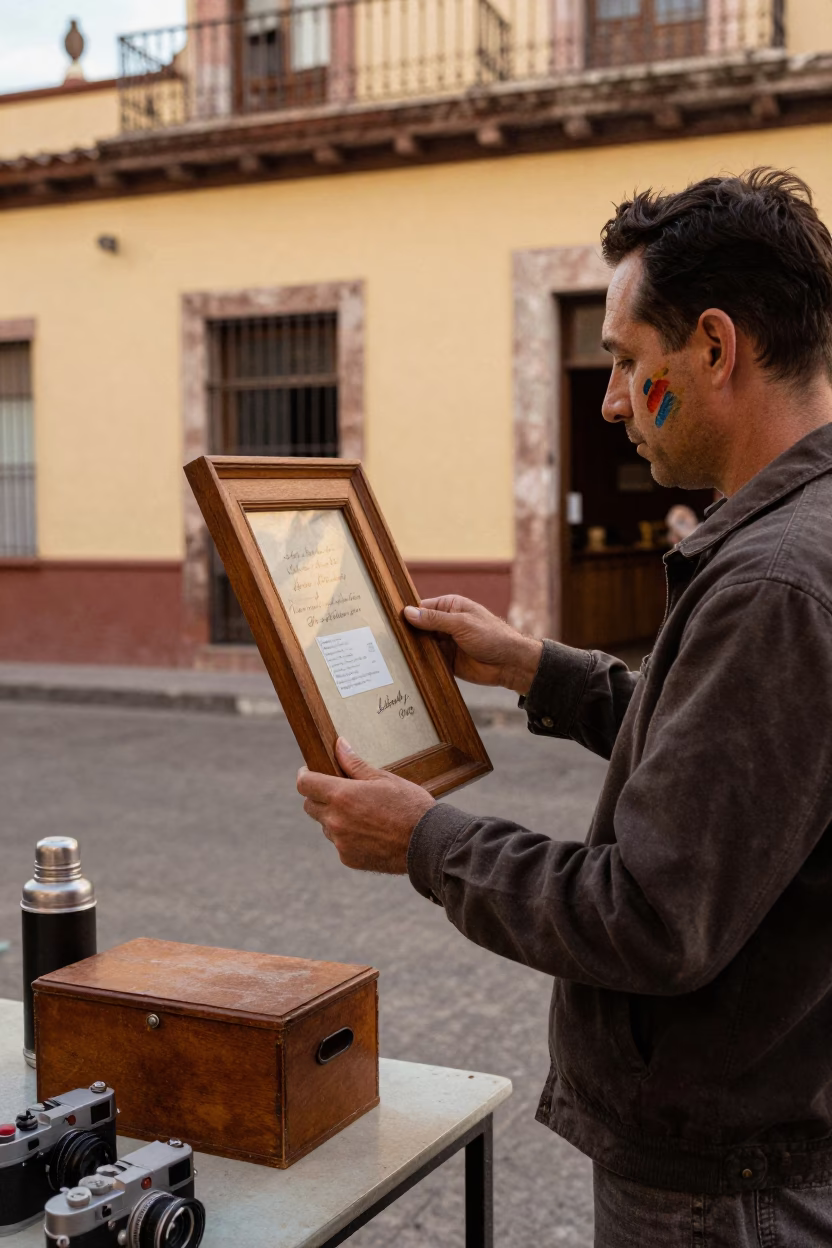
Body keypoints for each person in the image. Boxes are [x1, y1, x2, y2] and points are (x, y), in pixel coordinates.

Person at [297, 168, 832, 1246]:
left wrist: (426, 840)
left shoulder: (775, 583)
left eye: (630, 363)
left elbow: (648, 916)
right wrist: (540, 670)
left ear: (716, 349)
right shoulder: (801, 540)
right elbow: (733, 768)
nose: (612, 400)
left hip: (725, 1192)